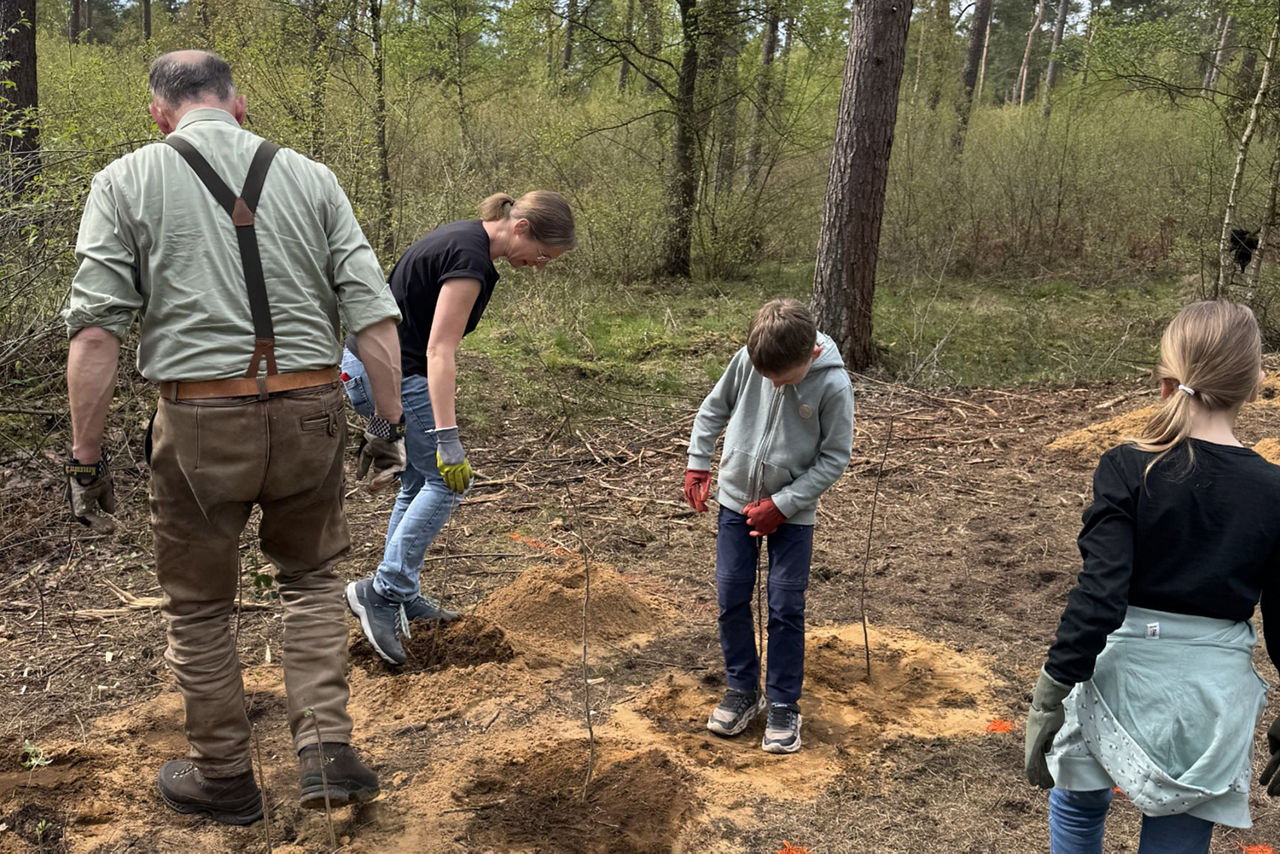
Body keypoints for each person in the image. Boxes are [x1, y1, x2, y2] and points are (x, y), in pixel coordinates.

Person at [64, 50, 407, 826]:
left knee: (199, 608)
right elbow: (374, 316)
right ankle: (325, 752)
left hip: (197, 423)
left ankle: (223, 775)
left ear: (159, 113)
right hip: (310, 409)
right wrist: (386, 425)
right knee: (315, 581)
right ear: (240, 106)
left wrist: (86, 461)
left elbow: (95, 336)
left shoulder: (126, 179)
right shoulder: (313, 178)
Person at [1023, 300, 1280, 853]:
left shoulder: (1126, 466)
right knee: (1180, 830)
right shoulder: (1275, 492)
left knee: (1077, 802)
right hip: (1209, 695)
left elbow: (1101, 592)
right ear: (1256, 383)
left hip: (1116, 672)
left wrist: (1053, 687)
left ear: (1164, 381)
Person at [343, 191, 576, 665]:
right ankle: (384, 592)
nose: (540, 266)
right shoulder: (470, 259)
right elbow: (438, 351)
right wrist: (448, 439)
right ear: (523, 228)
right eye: (544, 255)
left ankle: (400, 592)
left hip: (366, 366)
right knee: (450, 482)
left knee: (418, 481)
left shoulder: (464, 238)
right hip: (394, 371)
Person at [682, 298, 854, 753]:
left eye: (783, 378)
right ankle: (743, 690)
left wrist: (783, 503)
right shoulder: (749, 361)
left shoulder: (833, 385)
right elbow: (713, 409)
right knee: (731, 593)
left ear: (811, 356)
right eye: (767, 376)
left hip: (792, 514)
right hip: (735, 502)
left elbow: (835, 457)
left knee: (784, 605)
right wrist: (699, 463)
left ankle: (782, 703)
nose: (774, 384)